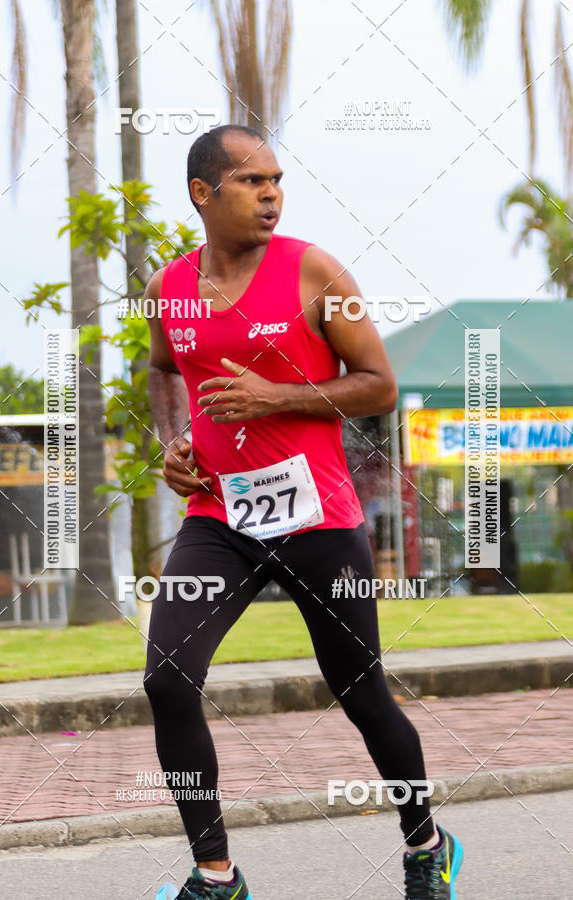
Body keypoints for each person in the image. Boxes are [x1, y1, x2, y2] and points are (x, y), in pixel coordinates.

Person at [144, 124, 464, 899]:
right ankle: (216, 876)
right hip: (219, 516)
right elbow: (162, 370)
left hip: (319, 519)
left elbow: (378, 385)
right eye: (253, 182)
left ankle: (426, 843)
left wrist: (276, 396)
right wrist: (172, 439)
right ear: (203, 194)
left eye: (277, 181)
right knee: (167, 678)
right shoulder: (168, 289)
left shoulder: (314, 271)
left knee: (359, 690)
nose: (272, 195)